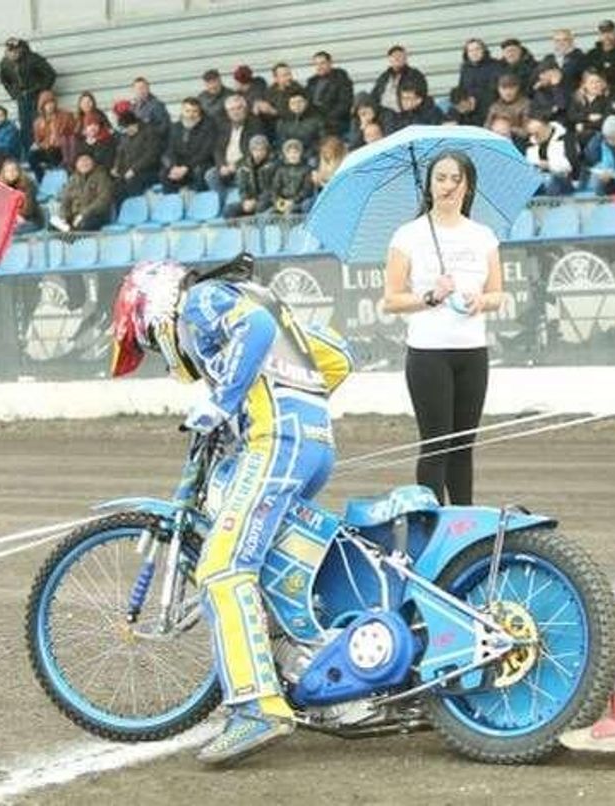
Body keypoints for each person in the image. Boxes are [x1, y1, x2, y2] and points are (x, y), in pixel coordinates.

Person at [108, 256, 354, 765]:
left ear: (154, 311)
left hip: (276, 442)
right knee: (270, 565)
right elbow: (335, 358)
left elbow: (256, 328)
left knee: (222, 567)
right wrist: (281, 393)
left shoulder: (199, 300)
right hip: (313, 443)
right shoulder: (257, 296)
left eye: (149, 342)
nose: (160, 352)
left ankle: (257, 709)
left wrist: (225, 400)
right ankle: (318, 677)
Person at [382, 151, 505, 505]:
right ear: (429, 184)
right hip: (428, 353)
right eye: (441, 178)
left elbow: (497, 294)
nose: (448, 185)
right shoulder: (408, 235)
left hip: (472, 351)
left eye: (456, 179)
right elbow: (391, 299)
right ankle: (432, 523)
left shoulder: (483, 236)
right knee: (437, 443)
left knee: (464, 445)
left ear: (468, 187)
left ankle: (464, 523)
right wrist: (431, 296)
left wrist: (480, 301)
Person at [0, 37, 57, 156]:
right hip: (21, 98)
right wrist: (14, 94)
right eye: (9, 51)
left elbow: (51, 75)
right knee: (25, 126)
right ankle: (30, 153)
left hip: (37, 97)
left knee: (40, 123)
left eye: (15, 50)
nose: (12, 53)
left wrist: (40, 91)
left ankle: (45, 152)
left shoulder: (33, 59)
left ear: (20, 49)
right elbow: (4, 80)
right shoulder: (5, 63)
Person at [306, 51, 354, 136]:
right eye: (316, 64)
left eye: (322, 63)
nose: (319, 67)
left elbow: (344, 104)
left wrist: (326, 119)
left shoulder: (341, 78)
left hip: (336, 121)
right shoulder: (312, 82)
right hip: (315, 120)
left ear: (330, 63)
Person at [0, 158, 45, 234]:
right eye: (8, 171)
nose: (11, 173)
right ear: (4, 173)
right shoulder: (3, 187)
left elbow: (28, 209)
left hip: (32, 220)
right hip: (13, 220)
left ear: (19, 171)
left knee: (7, 232)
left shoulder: (28, 185)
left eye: (14, 170)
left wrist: (15, 216)